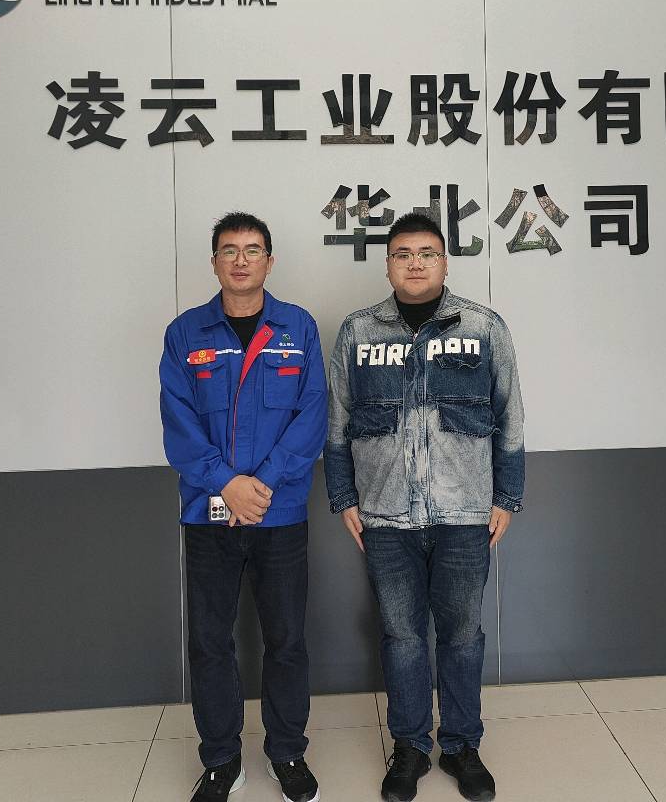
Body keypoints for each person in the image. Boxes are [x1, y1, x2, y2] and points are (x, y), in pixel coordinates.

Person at [325, 213, 525, 802]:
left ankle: (462, 745)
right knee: (402, 635)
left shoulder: (483, 327)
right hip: (385, 514)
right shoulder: (358, 331)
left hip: (465, 512)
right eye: (403, 254)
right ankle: (410, 746)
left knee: (461, 634)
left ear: (444, 262)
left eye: (427, 253)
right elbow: (337, 420)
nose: (415, 263)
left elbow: (510, 415)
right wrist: (344, 496)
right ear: (388, 265)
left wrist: (506, 496)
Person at [161, 212, 327, 802]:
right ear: (214, 262)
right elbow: (179, 423)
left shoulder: (298, 327)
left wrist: (262, 484)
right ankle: (221, 760)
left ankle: (287, 753)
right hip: (208, 513)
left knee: (286, 640)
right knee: (210, 642)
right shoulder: (185, 333)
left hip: (279, 513)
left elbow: (312, 415)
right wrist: (225, 484)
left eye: (252, 249)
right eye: (229, 250)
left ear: (269, 262)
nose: (240, 260)